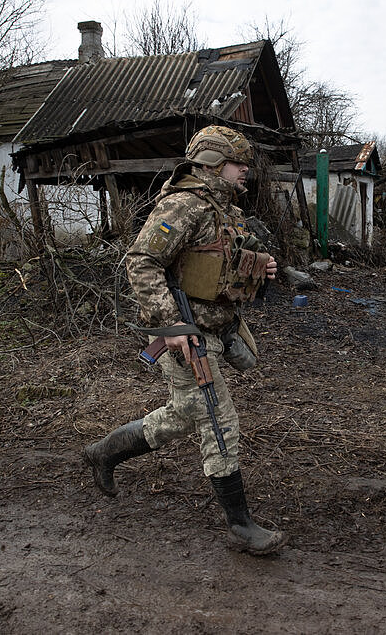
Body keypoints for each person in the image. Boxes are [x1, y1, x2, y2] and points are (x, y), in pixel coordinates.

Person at [83, 125, 287, 556]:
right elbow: (140, 262)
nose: (245, 169)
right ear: (213, 163)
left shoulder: (223, 208)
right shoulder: (184, 205)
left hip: (219, 328)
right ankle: (240, 525)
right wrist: (172, 326)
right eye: (237, 163)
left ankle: (105, 452)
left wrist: (263, 265)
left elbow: (232, 255)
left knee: (183, 415)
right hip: (188, 336)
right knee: (219, 421)